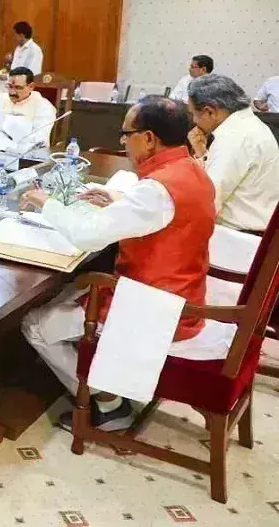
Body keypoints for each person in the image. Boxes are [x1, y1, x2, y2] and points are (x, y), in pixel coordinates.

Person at [20, 97, 235, 432]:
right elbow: (167, 216)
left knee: (35, 324)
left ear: (148, 138)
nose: (122, 141)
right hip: (182, 292)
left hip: (153, 308)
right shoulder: (193, 170)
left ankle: (109, 406)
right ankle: (105, 375)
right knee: (67, 293)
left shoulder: (156, 190)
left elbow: (87, 235)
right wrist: (122, 203)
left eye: (126, 134)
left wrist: (45, 202)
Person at [187, 74, 279, 232]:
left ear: (209, 112)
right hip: (253, 231)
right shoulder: (248, 124)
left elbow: (208, 201)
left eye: (193, 113)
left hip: (235, 235)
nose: (194, 121)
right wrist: (201, 153)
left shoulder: (233, 137)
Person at [0, 67, 58, 147]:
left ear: (31, 86)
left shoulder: (44, 106)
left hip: (27, 151)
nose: (12, 92)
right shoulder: (1, 98)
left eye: (18, 87)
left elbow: (39, 138)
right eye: (9, 86)